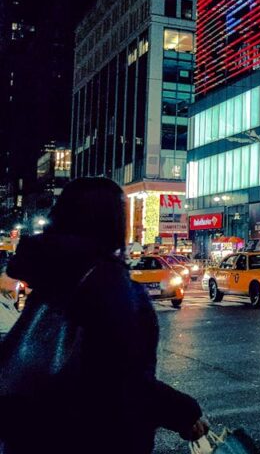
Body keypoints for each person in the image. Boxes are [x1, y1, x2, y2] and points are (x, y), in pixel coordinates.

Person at [0, 177, 209, 454]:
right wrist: (184, 412)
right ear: (113, 222)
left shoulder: (51, 277)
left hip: (31, 438)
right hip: (98, 439)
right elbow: (120, 382)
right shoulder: (108, 283)